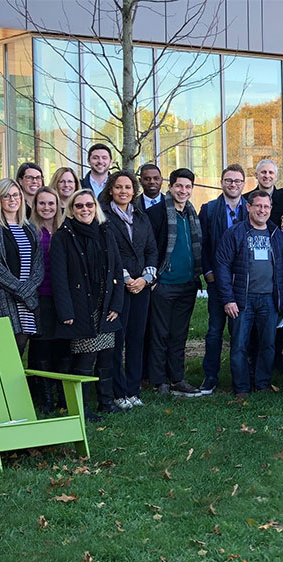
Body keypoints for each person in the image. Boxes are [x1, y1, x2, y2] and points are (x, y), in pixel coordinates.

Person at [51, 189, 123, 421]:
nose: (85, 210)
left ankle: (106, 401)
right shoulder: (63, 236)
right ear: (71, 209)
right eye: (79, 206)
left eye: (89, 205)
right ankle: (81, 408)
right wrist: (66, 311)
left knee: (107, 355)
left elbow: (117, 270)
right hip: (81, 306)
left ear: (95, 207)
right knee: (85, 357)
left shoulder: (105, 231)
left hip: (105, 305)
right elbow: (59, 278)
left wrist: (116, 304)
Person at [214, 190, 283, 398]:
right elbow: (222, 266)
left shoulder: (276, 235)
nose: (262, 210)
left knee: (267, 344)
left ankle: (263, 383)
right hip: (242, 299)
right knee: (239, 344)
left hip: (269, 299)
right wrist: (228, 299)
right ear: (248, 207)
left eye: (266, 207)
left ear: (271, 209)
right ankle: (241, 387)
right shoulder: (235, 233)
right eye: (258, 206)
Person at [101, 170, 157, 410]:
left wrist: (144, 279)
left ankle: (133, 391)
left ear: (134, 191)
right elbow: (106, 252)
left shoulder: (142, 217)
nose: (123, 191)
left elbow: (152, 250)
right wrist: (126, 278)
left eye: (127, 187)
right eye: (118, 187)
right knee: (117, 339)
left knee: (136, 338)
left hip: (141, 287)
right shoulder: (103, 217)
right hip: (117, 288)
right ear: (111, 190)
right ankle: (118, 391)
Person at [146, 168, 203, 398]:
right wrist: (152, 279)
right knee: (160, 334)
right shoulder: (157, 213)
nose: (183, 190)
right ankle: (159, 380)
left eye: (188, 187)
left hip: (187, 284)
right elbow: (149, 248)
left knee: (179, 335)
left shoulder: (191, 213)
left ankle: (177, 377)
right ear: (170, 187)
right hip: (164, 284)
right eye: (179, 186)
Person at [0, 178, 43, 352]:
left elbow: (38, 266)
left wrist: (27, 292)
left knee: (19, 351)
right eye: (6, 196)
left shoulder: (29, 228)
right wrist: (22, 291)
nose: (12, 200)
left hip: (26, 303)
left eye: (16, 195)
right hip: (1, 299)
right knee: (2, 355)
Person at [199, 163, 248, 395]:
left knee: (241, 330)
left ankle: (241, 375)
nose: (233, 184)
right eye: (229, 180)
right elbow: (203, 244)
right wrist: (207, 271)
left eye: (238, 181)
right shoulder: (209, 210)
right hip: (218, 280)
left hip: (244, 282)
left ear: (243, 184)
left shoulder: (251, 208)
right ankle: (211, 375)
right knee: (215, 329)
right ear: (222, 182)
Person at [27, 186, 69, 412]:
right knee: (41, 345)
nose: (47, 207)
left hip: (62, 297)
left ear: (57, 205)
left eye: (51, 203)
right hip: (38, 296)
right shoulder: (29, 230)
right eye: (42, 203)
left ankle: (63, 398)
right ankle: (45, 400)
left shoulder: (65, 229)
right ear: (35, 206)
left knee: (63, 346)